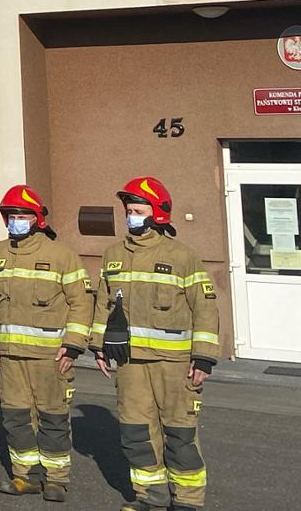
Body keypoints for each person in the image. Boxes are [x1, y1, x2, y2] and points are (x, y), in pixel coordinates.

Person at [91, 177, 218, 511]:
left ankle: (188, 500)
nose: (131, 216)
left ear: (157, 213)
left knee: (180, 435)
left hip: (174, 365)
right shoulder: (113, 255)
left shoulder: (182, 256)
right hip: (130, 363)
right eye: (128, 210)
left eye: (137, 210)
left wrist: (203, 358)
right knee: (136, 434)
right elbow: (103, 304)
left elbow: (205, 307)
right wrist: (98, 345)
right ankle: (151, 497)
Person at [0, 185, 91, 502]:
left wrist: (73, 345)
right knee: (15, 418)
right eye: (11, 216)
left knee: (53, 418)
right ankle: (25, 476)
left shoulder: (62, 255)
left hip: (51, 357)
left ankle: (56, 480)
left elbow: (81, 304)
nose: (16, 221)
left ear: (37, 218)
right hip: (10, 357)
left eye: (23, 215)